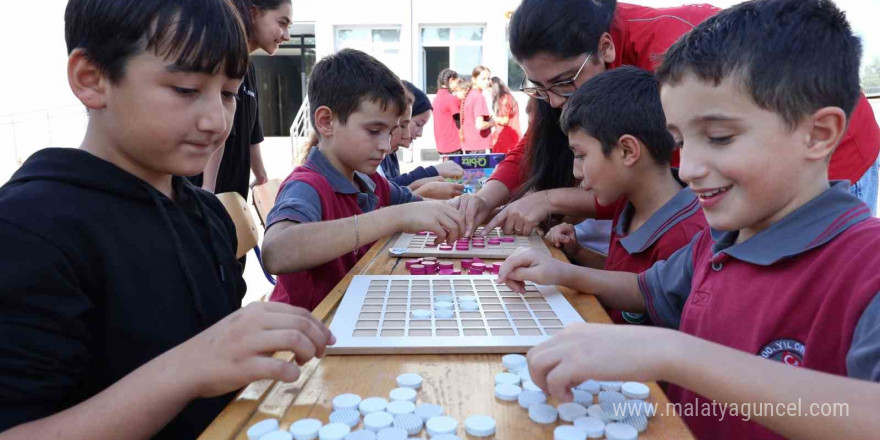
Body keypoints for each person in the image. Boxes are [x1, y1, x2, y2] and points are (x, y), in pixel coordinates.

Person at [500, 1, 880, 439]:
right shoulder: (720, 241)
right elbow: (649, 287)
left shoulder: (866, 267)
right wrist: (562, 271)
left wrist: (672, 352)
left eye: (719, 138)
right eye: (680, 140)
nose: (692, 167)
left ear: (818, 134)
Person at [0, 1, 333, 439]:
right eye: (185, 88)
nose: (217, 121)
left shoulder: (208, 215)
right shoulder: (28, 229)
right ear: (92, 79)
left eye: (229, 93)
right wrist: (189, 367)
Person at [456, 0, 879, 238]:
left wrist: (552, 199)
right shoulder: (569, 75)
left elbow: (673, 189)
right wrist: (486, 198)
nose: (552, 102)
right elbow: (537, 141)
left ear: (605, 48)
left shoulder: (671, 59)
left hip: (825, 162)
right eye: (538, 87)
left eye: (563, 83)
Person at [262, 49, 465, 310]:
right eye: (373, 130)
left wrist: (476, 205)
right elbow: (276, 252)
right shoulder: (307, 185)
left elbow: (419, 208)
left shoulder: (368, 181)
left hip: (353, 314)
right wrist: (395, 217)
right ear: (326, 122)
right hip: (308, 335)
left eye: (391, 131)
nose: (385, 145)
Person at [547, 66, 707, 325]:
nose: (577, 172)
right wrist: (579, 253)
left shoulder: (684, 236)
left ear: (627, 151)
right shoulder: (628, 204)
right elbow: (625, 278)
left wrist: (566, 272)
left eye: (581, 155)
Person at [189, 0, 293, 198]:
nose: (286, 36)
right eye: (282, 23)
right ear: (253, 13)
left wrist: (261, 175)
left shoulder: (249, 68)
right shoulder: (220, 57)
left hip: (233, 194)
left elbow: (252, 132)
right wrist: (208, 188)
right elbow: (215, 124)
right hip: (204, 196)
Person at [380, 81, 465, 200]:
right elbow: (382, 198)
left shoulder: (389, 154)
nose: (418, 134)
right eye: (418, 124)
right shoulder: (375, 156)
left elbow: (387, 193)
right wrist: (428, 179)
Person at [461, 66, 495, 152]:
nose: (487, 82)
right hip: (480, 146)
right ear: (474, 79)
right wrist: (492, 122)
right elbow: (480, 125)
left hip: (470, 145)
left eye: (488, 78)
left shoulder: (469, 95)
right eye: (483, 79)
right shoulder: (478, 96)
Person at [432, 68, 463, 154]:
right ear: (451, 80)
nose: (458, 85)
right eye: (457, 82)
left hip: (441, 145)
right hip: (453, 145)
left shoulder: (436, 99)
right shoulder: (450, 98)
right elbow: (459, 122)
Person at [489, 76, 522, 154]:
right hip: (511, 137)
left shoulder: (504, 99)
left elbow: (504, 121)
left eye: (489, 88)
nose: (488, 91)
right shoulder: (507, 97)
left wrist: (491, 117)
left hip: (506, 139)